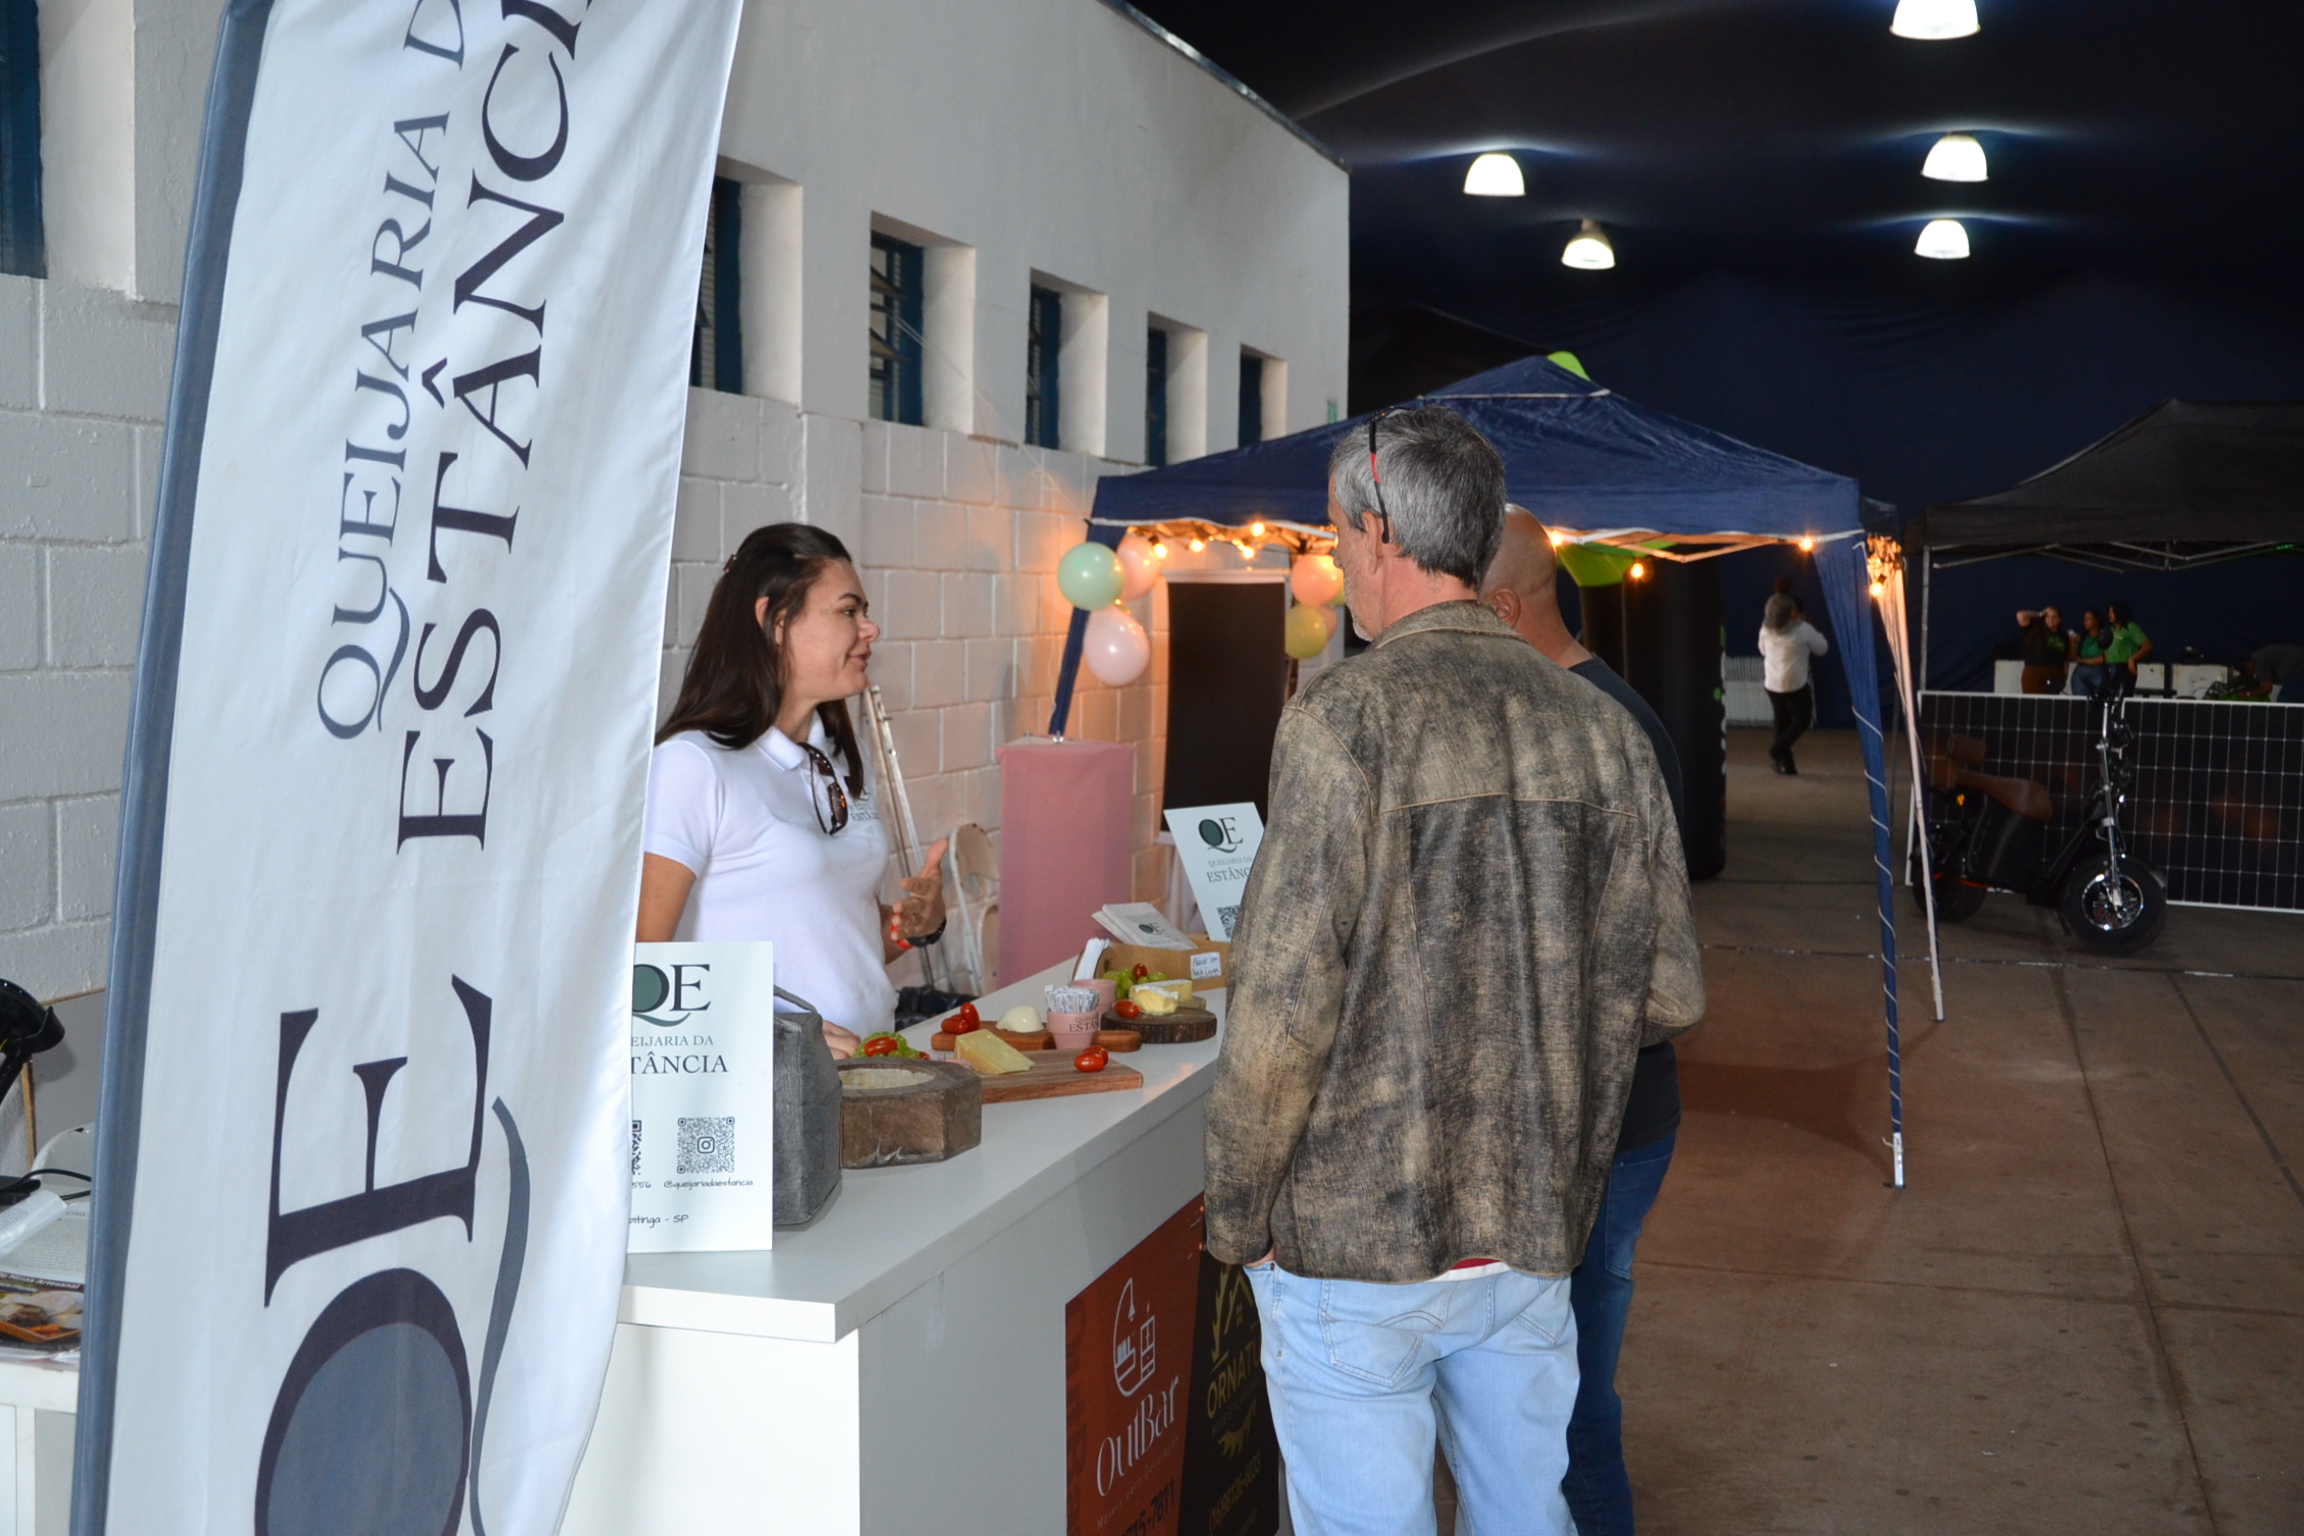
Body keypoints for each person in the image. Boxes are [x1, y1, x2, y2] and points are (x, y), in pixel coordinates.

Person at [1205, 407, 1705, 1536]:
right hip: (1529, 1224)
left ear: (1382, 532)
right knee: (1527, 1514)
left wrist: (1237, 1218)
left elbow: (1281, 1017)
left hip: (1355, 1243)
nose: (1339, 560)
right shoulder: (1603, 730)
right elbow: (1671, 989)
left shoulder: (1342, 721)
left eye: (1339, 535)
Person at [1480, 508, 1685, 1536]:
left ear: (1502, 608)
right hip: (1583, 1120)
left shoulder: (1602, 727)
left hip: (1602, 1126)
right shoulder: (1568, 713)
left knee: (1568, 1408)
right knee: (1543, 1391)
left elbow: (1624, 958)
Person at [638, 523, 948, 1057]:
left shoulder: (845, 757)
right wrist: (775, 1037)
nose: (870, 628)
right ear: (776, 621)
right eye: (848, 611)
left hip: (872, 1066)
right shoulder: (692, 764)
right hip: (762, 1091)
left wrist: (912, 928)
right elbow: (639, 972)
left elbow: (839, 945)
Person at [1759, 592, 1829, 775]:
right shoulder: (1804, 629)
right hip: (1794, 683)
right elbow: (1822, 648)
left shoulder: (1766, 628)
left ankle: (1787, 765)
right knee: (1802, 719)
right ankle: (1778, 749)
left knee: (1781, 720)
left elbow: (1762, 650)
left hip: (1772, 682)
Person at [2015, 605, 2070, 694]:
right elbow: (2020, 615)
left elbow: (2066, 659)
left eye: (2054, 617)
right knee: (2033, 700)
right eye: (2047, 617)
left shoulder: (2064, 636)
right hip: (2034, 672)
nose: (2050, 620)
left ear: (2060, 620)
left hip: (2055, 673)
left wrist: (2064, 677)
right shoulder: (2035, 629)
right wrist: (2040, 614)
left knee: (2050, 701)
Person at [2103, 600, 2152, 694]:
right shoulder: (2110, 629)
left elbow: (2147, 646)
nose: (2109, 615)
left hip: (2123, 667)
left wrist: (2133, 659)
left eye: (2112, 612)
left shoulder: (2131, 627)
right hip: (2109, 667)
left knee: (2122, 696)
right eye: (2109, 612)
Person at [2236, 642, 2304, 702]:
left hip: (2299, 669)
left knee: (2284, 700)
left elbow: (2267, 689)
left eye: (2246, 671)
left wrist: (2249, 694)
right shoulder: (2259, 657)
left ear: (2248, 665)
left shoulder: (2259, 663)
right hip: (2297, 669)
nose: (2250, 674)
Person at [2069, 610, 2111, 700]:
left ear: (2096, 620)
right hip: (2081, 676)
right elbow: (2073, 657)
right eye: (2084, 619)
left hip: (2099, 673)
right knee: (2081, 702)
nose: (2085, 622)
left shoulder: (2105, 637)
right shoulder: (2083, 639)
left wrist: (2082, 661)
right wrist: (2072, 644)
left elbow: (2106, 657)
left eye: (2088, 619)